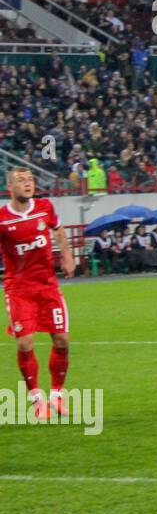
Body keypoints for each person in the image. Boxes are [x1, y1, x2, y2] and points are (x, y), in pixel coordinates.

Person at [0, 168, 76, 419]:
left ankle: (56, 394)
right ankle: (36, 397)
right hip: (19, 289)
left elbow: (59, 230)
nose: (28, 184)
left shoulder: (45, 207)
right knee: (24, 342)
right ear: (10, 187)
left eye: (30, 180)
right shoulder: (2, 218)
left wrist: (67, 256)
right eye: (21, 181)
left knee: (62, 340)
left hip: (47, 286)